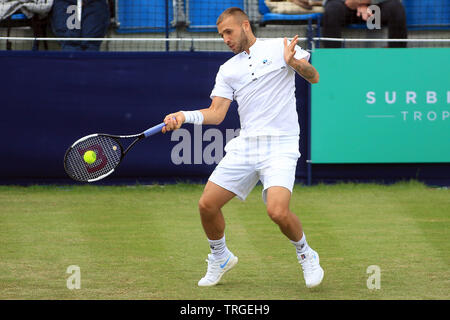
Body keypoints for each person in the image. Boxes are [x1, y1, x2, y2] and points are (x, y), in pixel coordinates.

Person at [162, 7, 324, 289]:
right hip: (246, 146)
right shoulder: (228, 69)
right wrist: (183, 116)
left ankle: (306, 253)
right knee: (207, 205)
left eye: (229, 32)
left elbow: (314, 76)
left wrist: (294, 63)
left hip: (281, 146)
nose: (225, 38)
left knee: (277, 212)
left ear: (245, 26)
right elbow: (216, 113)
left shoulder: (280, 47)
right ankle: (220, 256)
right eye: (221, 35)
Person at [322, 0, 407, 48]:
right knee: (332, 9)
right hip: (347, 7)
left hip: (375, 8)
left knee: (396, 8)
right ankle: (333, 58)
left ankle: (397, 56)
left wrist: (364, 2)